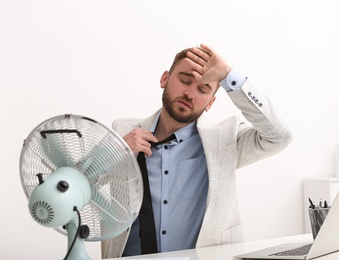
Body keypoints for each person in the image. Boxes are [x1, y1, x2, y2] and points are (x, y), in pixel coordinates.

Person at [101, 44, 293, 258]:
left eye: (202, 89)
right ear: (164, 79)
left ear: (211, 103)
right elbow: (75, 184)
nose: (189, 93)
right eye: (184, 80)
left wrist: (229, 76)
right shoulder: (122, 133)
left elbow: (280, 136)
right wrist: (116, 153)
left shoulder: (225, 140)